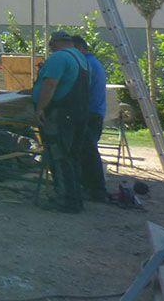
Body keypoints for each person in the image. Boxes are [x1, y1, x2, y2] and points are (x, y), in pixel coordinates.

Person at [32, 30, 91, 213]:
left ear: (55, 43)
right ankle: (75, 197)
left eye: (51, 45)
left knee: (59, 156)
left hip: (60, 115)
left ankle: (65, 200)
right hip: (79, 113)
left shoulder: (59, 57)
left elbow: (50, 84)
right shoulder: (80, 58)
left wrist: (40, 108)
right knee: (72, 156)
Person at [72, 34, 110, 201]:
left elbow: (80, 90)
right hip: (95, 112)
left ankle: (96, 190)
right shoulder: (94, 62)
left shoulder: (86, 65)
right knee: (87, 151)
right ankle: (90, 187)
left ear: (80, 48)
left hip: (89, 113)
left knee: (88, 152)